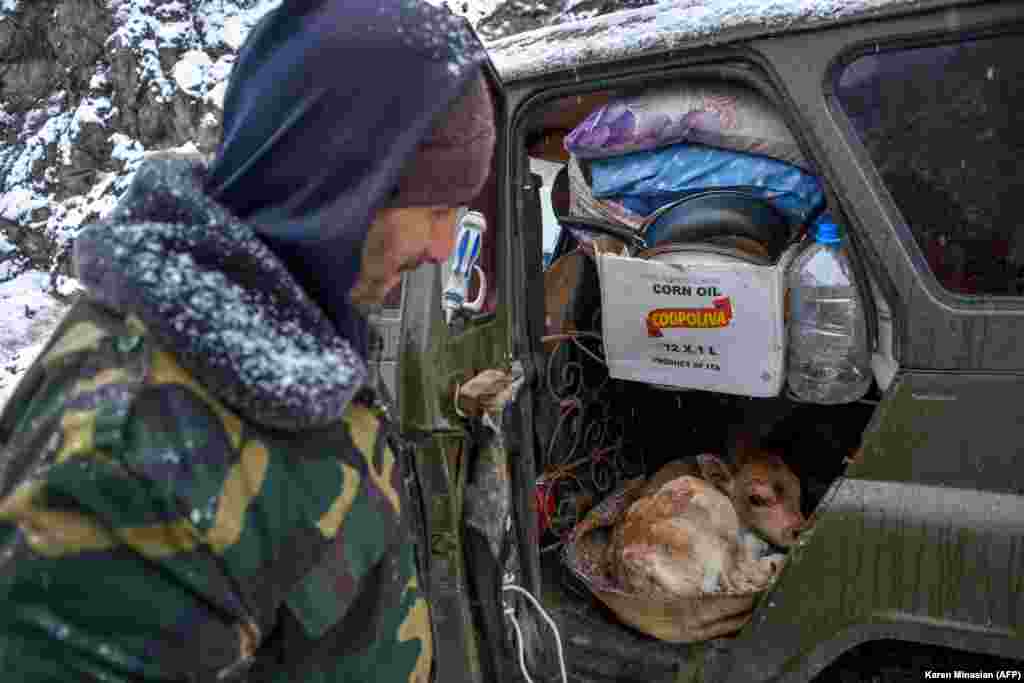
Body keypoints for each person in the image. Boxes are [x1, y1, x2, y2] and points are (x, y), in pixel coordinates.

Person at [0, 1, 497, 680]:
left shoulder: (298, 333)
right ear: (338, 188)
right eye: (436, 210)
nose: (444, 246)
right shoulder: (129, 467)